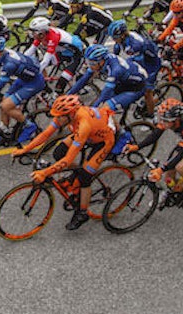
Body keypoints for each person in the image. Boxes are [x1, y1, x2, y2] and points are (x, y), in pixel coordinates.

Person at [13, 94, 117, 231]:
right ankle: (78, 172)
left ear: (71, 114)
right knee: (58, 153)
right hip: (90, 131)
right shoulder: (66, 116)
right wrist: (25, 149)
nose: (57, 119)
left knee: (85, 176)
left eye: (60, 116)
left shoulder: (83, 124)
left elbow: (68, 159)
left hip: (104, 140)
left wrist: (45, 172)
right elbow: (46, 134)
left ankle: (82, 213)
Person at [0, 35, 46, 148]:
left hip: (34, 83)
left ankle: (29, 126)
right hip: (23, 79)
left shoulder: (9, 64)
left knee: (6, 106)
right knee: (4, 100)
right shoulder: (0, 55)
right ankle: (4, 131)